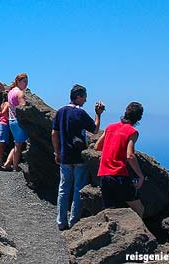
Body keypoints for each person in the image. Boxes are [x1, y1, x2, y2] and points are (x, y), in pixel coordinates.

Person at [51, 84, 105, 231]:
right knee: (78, 188)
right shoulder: (80, 113)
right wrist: (98, 114)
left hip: (64, 156)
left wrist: (57, 152)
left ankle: (61, 222)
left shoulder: (60, 112)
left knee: (63, 188)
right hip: (79, 156)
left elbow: (54, 134)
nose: (85, 100)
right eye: (84, 97)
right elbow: (95, 130)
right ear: (79, 97)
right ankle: (74, 220)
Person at [95, 102, 145, 217]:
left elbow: (97, 146)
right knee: (139, 209)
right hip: (119, 175)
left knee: (110, 212)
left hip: (104, 174)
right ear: (139, 118)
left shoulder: (110, 127)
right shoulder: (132, 132)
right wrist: (140, 176)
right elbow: (130, 155)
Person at [5, 73, 30, 172]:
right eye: (24, 81)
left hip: (11, 120)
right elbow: (23, 109)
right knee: (22, 144)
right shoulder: (20, 93)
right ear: (18, 81)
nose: (26, 84)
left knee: (17, 144)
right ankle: (15, 166)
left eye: (27, 82)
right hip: (18, 121)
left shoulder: (11, 92)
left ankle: (8, 163)